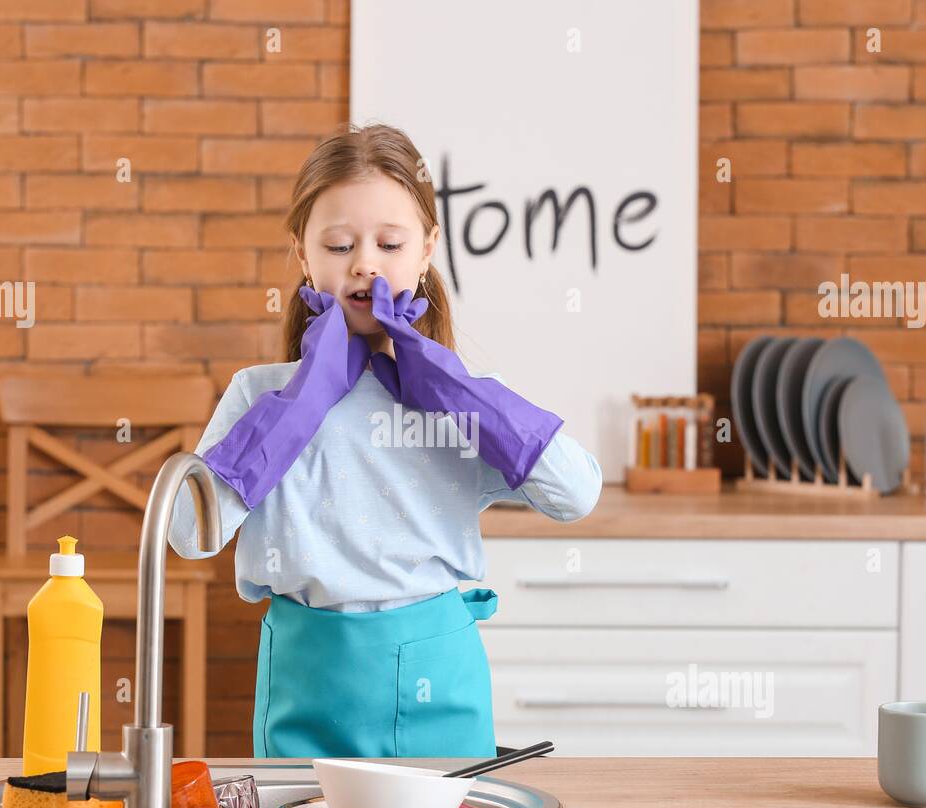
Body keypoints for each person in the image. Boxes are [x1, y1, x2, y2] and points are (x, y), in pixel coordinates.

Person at [170, 122, 602, 759]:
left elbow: (577, 493)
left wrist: (454, 390)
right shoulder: (256, 393)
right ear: (303, 255)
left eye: (390, 243)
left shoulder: (465, 401)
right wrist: (298, 407)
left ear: (427, 250)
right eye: (340, 244)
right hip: (307, 686)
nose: (365, 264)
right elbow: (187, 532)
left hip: (440, 689)